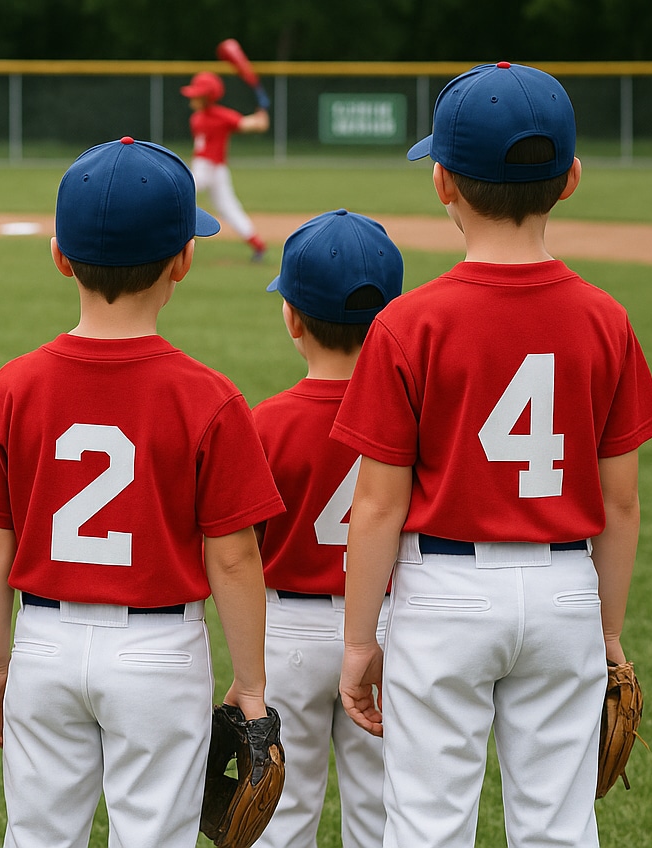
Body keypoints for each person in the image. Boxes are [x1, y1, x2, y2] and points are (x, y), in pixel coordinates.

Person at [333, 62, 652, 848]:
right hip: (565, 590)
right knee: (558, 825)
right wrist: (606, 633)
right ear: (571, 179)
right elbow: (620, 504)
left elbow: (376, 506)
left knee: (428, 825)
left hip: (445, 592)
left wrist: (357, 640)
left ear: (442, 182)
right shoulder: (606, 319)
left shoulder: (409, 324)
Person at [0, 135, 286, 848]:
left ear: (60, 256)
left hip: (44, 641)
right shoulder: (210, 398)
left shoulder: (14, 385)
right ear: (184, 261)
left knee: (37, 836)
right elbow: (234, 559)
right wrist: (250, 685)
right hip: (158, 651)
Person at [252, 209, 403, 848]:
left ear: (292, 317)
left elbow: (240, 547)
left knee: (281, 815)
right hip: (389, 623)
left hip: (285, 631)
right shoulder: (411, 417)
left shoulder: (265, 423)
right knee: (384, 811)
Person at [181, 70, 269, 261]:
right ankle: (257, 244)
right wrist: (262, 114)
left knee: (181, 194)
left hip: (208, 168)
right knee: (228, 207)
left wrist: (259, 119)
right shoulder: (208, 116)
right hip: (213, 168)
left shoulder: (206, 117)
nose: (192, 99)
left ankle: (174, 238)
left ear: (206, 97)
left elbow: (253, 125)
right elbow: (256, 125)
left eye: (197, 95)